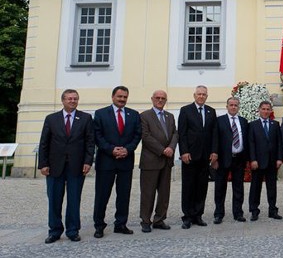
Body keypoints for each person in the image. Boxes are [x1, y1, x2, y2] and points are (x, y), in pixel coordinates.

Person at [38, 89, 95, 244]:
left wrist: (88, 161)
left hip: (77, 166)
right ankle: (55, 230)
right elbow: (44, 143)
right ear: (63, 100)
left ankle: (73, 230)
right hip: (54, 166)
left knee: (74, 199)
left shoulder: (85, 118)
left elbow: (90, 142)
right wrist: (43, 164)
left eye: (75, 99)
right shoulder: (51, 119)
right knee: (54, 200)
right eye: (69, 98)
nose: (72, 101)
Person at [93, 85, 142, 238]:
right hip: (106, 161)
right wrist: (111, 149)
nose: (122, 99)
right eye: (119, 96)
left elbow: (137, 135)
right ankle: (99, 225)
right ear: (113, 97)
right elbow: (97, 136)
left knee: (123, 195)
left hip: (126, 161)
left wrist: (128, 149)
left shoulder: (134, 114)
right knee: (102, 195)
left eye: (125, 97)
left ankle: (120, 224)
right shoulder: (100, 114)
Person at [177, 85, 218, 229]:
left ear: (207, 96)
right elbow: (181, 133)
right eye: (199, 94)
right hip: (190, 155)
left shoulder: (211, 111)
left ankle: (198, 215)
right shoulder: (185, 110)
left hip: (205, 156)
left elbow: (214, 133)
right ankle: (187, 216)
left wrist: (214, 152)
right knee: (188, 186)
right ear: (194, 95)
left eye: (204, 94)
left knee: (202, 186)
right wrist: (184, 152)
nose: (201, 96)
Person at [139, 90, 178, 232]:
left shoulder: (170, 116)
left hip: (166, 161)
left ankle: (159, 219)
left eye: (163, 98)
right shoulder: (144, 116)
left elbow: (175, 133)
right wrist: (162, 150)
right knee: (148, 193)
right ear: (152, 99)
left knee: (164, 193)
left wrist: (171, 147)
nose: (160, 100)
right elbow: (146, 136)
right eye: (157, 98)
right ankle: (145, 220)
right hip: (151, 161)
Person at [212, 97, 249, 224]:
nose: (233, 107)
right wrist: (214, 157)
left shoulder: (243, 121)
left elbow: (247, 140)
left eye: (236, 105)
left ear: (238, 107)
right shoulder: (219, 121)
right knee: (220, 188)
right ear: (227, 106)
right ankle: (218, 214)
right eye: (231, 105)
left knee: (238, 188)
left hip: (239, 159)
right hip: (223, 159)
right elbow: (215, 139)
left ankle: (238, 213)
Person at [248, 101, 283, 221]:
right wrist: (253, 159)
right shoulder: (253, 125)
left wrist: (279, 158)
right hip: (257, 162)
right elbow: (251, 143)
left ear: (271, 111)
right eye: (263, 109)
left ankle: (272, 210)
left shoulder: (275, 124)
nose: (265, 111)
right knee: (255, 187)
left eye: (268, 109)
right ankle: (254, 210)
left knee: (272, 187)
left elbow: (279, 143)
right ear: (259, 110)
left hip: (272, 162)